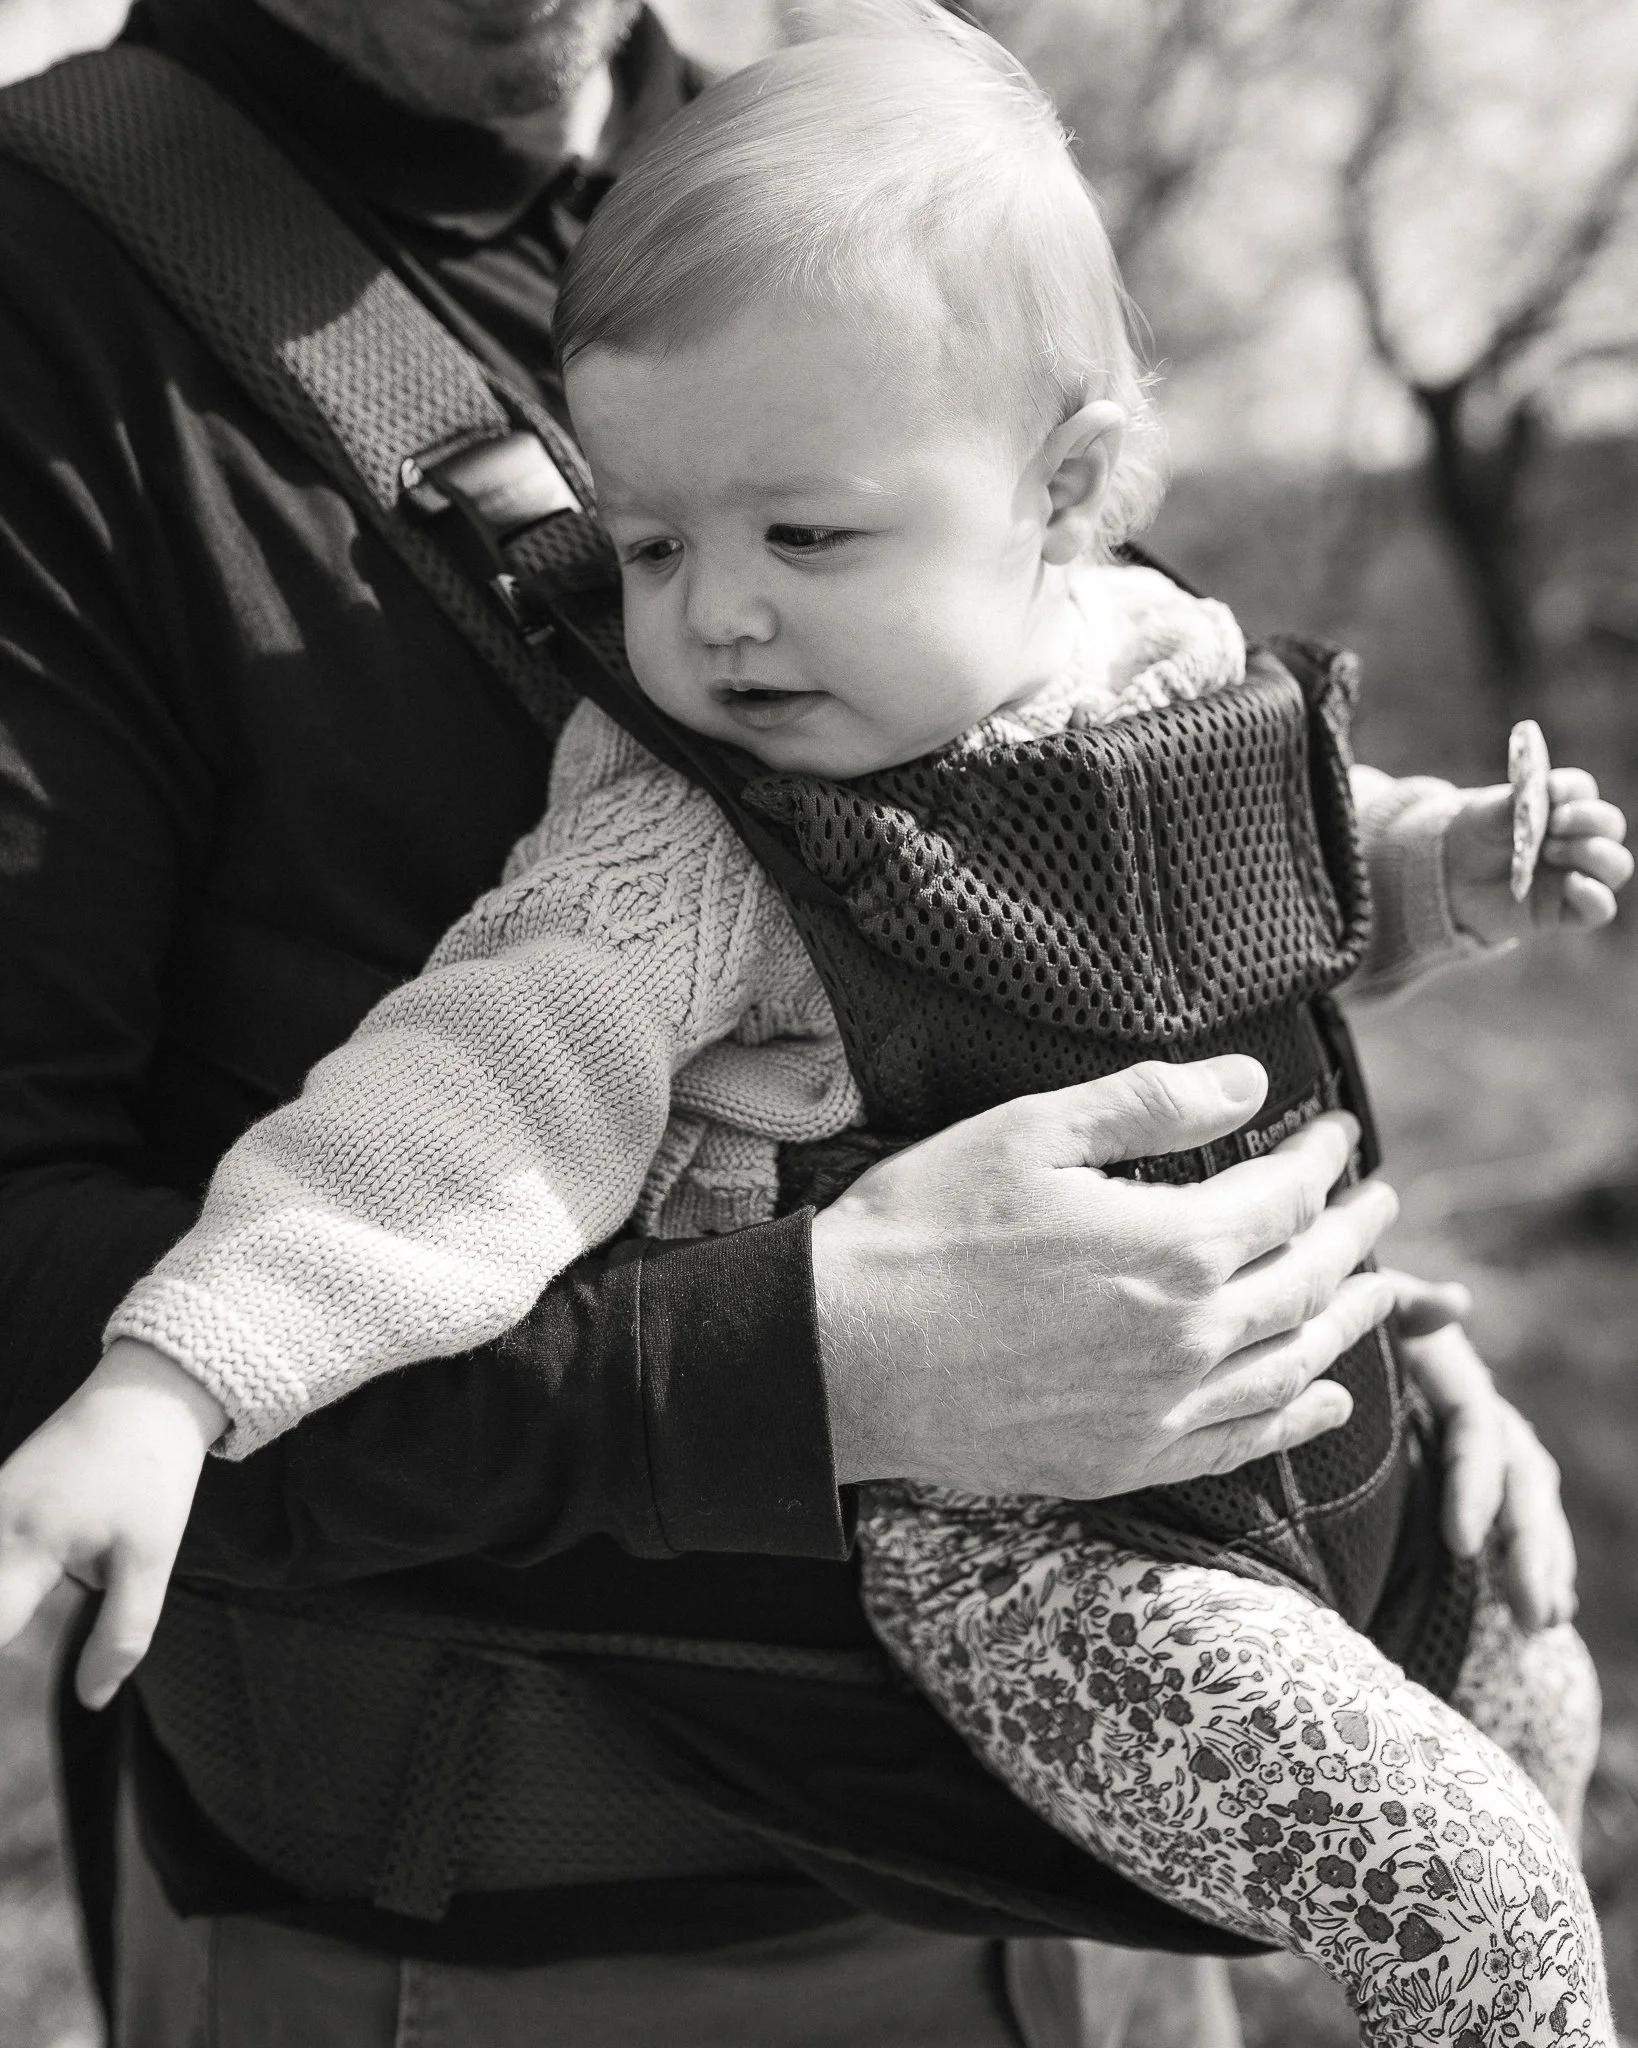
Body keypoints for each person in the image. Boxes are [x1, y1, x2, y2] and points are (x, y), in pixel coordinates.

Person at [4, 7, 1631, 2043]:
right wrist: (808, 1364)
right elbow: (440, 1119)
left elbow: (1235, 894)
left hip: (1140, 1862)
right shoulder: (69, 291)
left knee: (1534, 1723)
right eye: (653, 546)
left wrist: (1349, 1303)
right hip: (557, 1939)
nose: (710, 623)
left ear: (1066, 485)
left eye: (806, 539)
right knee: (1488, 1932)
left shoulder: (856, 210)